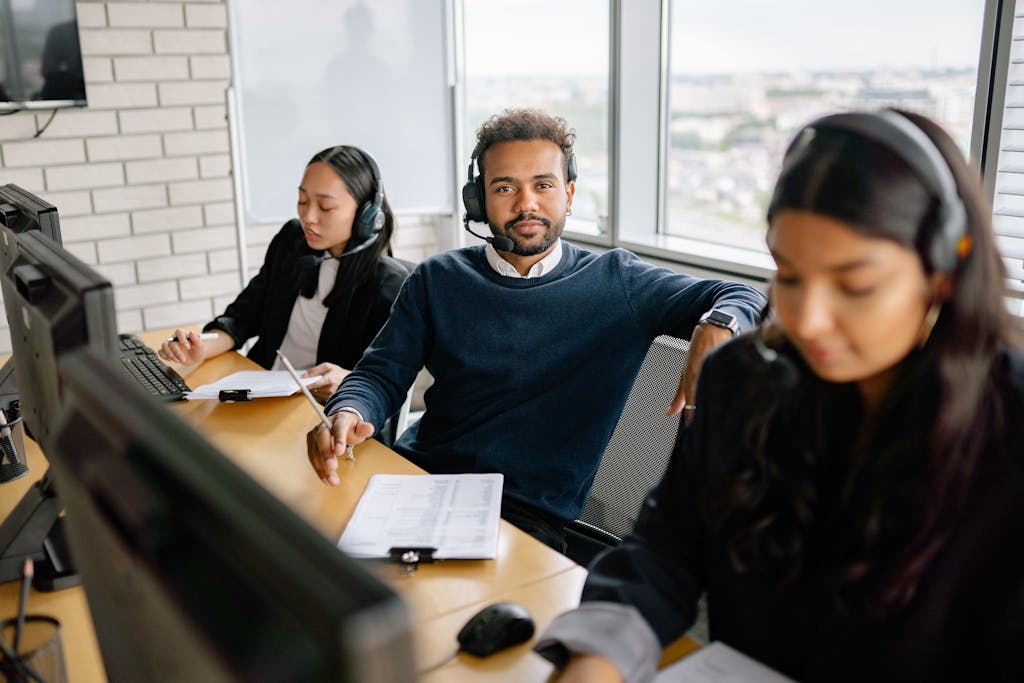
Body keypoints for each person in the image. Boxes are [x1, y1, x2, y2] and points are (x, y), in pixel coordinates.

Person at [535, 109, 1024, 682]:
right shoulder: (744, 381)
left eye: (855, 285)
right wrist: (596, 661)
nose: (808, 321)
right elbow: (664, 551)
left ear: (944, 270)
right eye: (788, 275)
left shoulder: (1010, 432)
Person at [307, 108, 766, 551]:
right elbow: (380, 375)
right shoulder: (437, 278)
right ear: (479, 199)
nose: (526, 203)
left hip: (525, 514)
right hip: (420, 478)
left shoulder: (618, 282)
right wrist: (346, 409)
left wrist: (716, 325)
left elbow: (745, 295)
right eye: (505, 187)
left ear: (567, 194)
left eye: (543, 185)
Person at [159, 146, 410, 402]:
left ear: (367, 216)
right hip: (262, 390)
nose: (308, 217)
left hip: (321, 410)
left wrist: (348, 380)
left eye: (325, 207)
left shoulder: (387, 285)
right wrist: (202, 348)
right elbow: (243, 316)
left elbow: (387, 376)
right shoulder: (291, 242)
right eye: (302, 201)